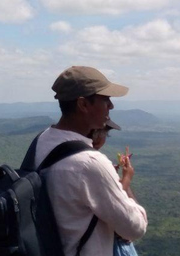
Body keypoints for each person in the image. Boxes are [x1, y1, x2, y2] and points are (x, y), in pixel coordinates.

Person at [34, 66, 148, 256]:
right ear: (83, 105)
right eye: (105, 99)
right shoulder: (90, 163)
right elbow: (135, 228)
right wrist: (126, 188)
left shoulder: (41, 141)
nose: (111, 106)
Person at [89, 120, 140, 256]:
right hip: (113, 245)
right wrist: (127, 178)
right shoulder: (93, 163)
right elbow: (119, 207)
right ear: (98, 137)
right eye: (105, 134)